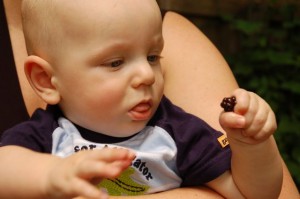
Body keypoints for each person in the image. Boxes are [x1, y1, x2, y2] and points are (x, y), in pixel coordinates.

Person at [0, 0, 298, 199]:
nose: (146, 74)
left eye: (153, 56)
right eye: (116, 62)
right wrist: (52, 174)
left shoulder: (176, 134)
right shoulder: (49, 136)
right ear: (46, 80)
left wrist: (253, 146)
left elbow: (252, 194)